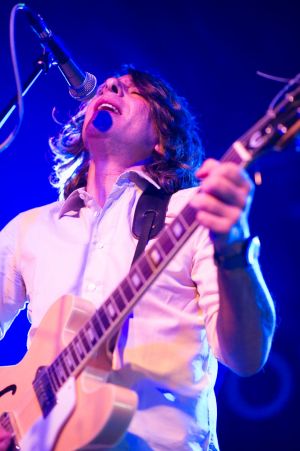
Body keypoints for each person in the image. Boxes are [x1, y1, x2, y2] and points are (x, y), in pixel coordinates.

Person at [0, 66, 276, 450]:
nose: (110, 85)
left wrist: (233, 248)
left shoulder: (192, 212)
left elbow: (246, 357)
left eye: (133, 91)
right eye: (111, 85)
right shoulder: (29, 228)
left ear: (161, 139)